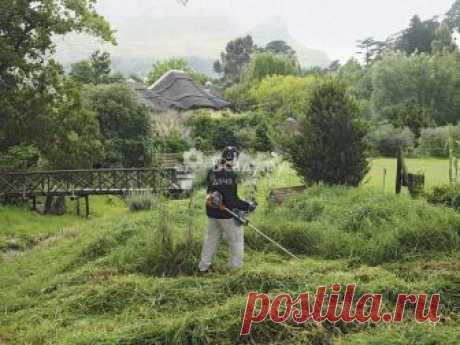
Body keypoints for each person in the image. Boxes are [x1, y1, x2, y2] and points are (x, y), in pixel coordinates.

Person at [198, 146, 256, 273]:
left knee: (211, 240)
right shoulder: (229, 173)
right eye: (236, 158)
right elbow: (232, 201)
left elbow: (212, 190)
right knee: (236, 240)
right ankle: (235, 269)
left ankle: (203, 268)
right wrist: (248, 206)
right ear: (233, 157)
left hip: (212, 211)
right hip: (225, 214)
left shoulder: (212, 170)